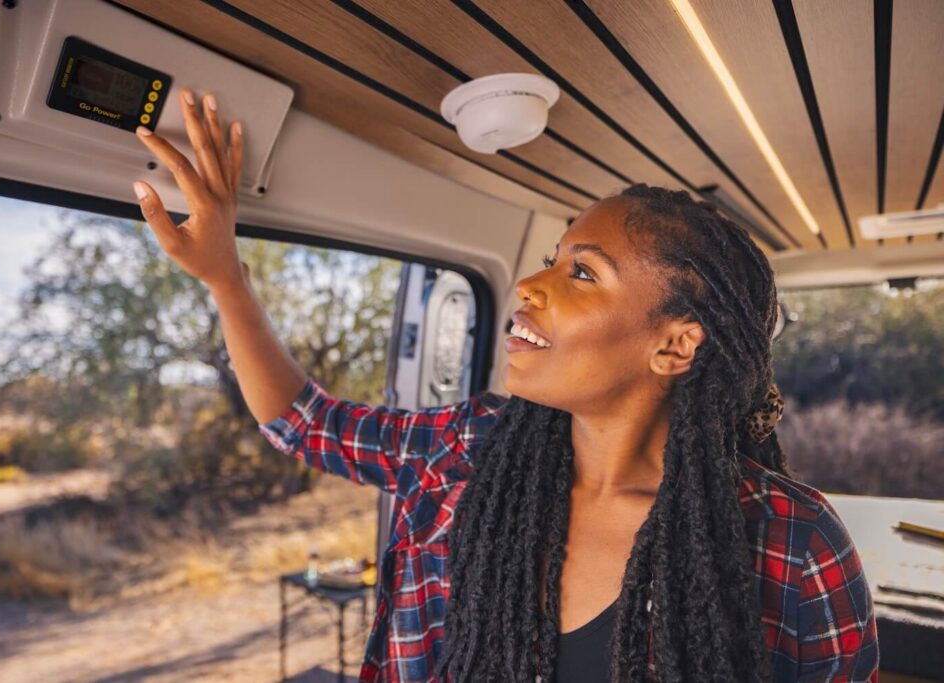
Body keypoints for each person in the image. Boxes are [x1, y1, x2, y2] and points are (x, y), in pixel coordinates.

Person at [131, 88, 879, 683]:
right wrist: (225, 277)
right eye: (553, 259)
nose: (527, 284)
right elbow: (306, 423)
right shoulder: (467, 450)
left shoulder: (794, 543)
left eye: (581, 272)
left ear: (676, 343)